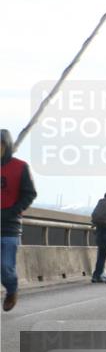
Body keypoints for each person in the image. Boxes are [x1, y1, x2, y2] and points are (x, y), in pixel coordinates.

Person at [1, 129, 37, 311]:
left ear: (7, 145)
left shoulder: (21, 167)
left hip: (10, 226)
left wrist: (12, 211)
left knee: (6, 266)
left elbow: (30, 194)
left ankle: (12, 290)